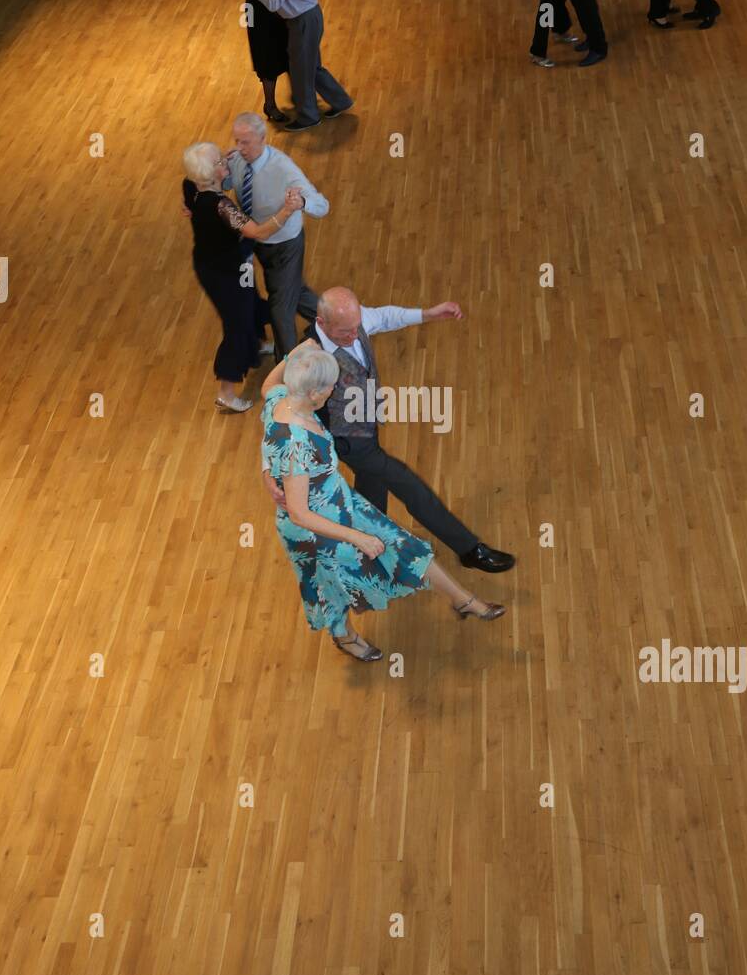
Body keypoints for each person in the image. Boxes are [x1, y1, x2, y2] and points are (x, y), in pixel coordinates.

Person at [261, 343, 506, 663]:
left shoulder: (281, 398)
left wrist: (296, 353)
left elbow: (267, 387)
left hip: (343, 503)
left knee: (402, 544)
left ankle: (462, 599)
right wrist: (357, 537)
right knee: (333, 588)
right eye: (331, 385)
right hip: (317, 531)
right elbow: (298, 512)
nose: (335, 389)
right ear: (313, 394)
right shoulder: (297, 444)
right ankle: (344, 636)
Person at [262, 286, 515, 575]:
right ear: (322, 324)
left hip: (367, 426)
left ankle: (368, 553)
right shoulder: (309, 358)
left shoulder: (353, 323)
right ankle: (469, 549)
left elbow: (384, 317)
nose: (354, 336)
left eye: (356, 327)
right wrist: (268, 466)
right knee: (407, 483)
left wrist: (428, 314)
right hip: (346, 441)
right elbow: (274, 400)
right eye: (345, 332)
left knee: (372, 495)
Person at [182, 142, 301, 412]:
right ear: (211, 174)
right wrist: (287, 210)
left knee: (251, 302)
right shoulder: (221, 206)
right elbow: (258, 233)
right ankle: (226, 392)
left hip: (233, 266)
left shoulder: (193, 188)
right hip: (225, 274)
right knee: (237, 324)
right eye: (220, 160)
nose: (226, 160)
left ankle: (256, 343)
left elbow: (185, 185)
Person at [224, 112, 328, 362]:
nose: (239, 148)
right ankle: (338, 322)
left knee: (280, 309)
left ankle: (288, 370)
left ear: (263, 138)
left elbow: (322, 204)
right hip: (259, 243)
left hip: (285, 246)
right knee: (295, 292)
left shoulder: (283, 168)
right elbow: (226, 182)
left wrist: (301, 201)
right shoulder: (238, 160)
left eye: (245, 142)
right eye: (237, 141)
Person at [236, 0, 354, 132]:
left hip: (302, 20)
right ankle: (341, 101)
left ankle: (309, 116)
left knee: (300, 70)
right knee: (312, 67)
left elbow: (273, 3)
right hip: (308, 16)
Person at [234, 0, 289, 123]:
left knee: (289, 53)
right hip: (260, 16)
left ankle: (298, 96)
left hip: (280, 11)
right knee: (267, 60)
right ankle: (270, 105)